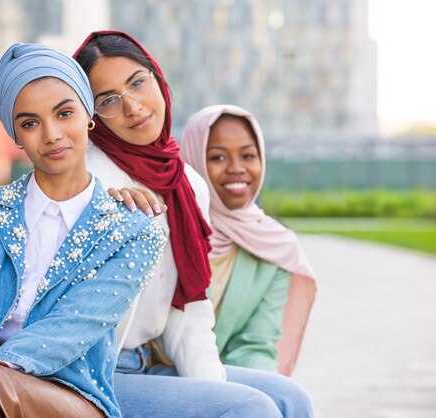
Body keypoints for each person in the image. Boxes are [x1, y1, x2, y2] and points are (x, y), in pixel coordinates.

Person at [0, 42, 166, 418]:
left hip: (72, 396)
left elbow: (73, 326)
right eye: (30, 123)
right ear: (15, 135)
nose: (52, 134)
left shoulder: (131, 229)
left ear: (88, 115)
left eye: (64, 113)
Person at [74, 30, 313, 418]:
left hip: (149, 364)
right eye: (108, 100)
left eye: (137, 82)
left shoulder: (188, 184)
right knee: (250, 408)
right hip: (95, 374)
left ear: (158, 78)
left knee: (290, 398)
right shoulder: (87, 175)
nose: (133, 107)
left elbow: (189, 313)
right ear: (92, 114)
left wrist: (212, 390)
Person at [180, 104, 317, 376]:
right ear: (194, 160)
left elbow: (255, 345)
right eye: (218, 158)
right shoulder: (171, 224)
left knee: (284, 398)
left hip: (221, 377)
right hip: (149, 372)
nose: (236, 169)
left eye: (248, 155)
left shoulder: (275, 246)